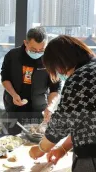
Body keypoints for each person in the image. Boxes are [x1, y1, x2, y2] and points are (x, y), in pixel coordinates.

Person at [29, 35, 96, 171]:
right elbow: (83, 121)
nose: (59, 73)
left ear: (61, 61)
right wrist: (63, 149)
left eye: (55, 68)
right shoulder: (92, 68)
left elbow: (60, 124)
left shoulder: (80, 79)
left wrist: (40, 149)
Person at [1, 27, 61, 135]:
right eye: (33, 49)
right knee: (13, 139)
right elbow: (5, 78)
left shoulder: (50, 59)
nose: (38, 52)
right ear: (26, 43)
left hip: (38, 109)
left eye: (42, 49)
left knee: (36, 138)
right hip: (14, 107)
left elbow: (55, 87)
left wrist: (50, 106)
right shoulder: (12, 55)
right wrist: (13, 94)